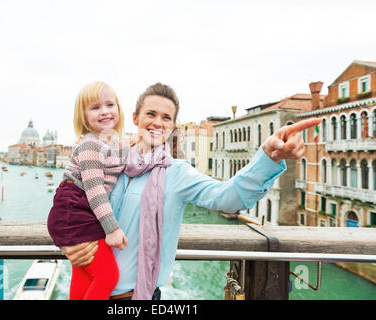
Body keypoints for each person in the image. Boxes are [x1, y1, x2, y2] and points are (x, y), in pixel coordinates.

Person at [60, 82, 322, 300]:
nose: (157, 123)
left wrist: (268, 158)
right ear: (136, 118)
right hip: (88, 285)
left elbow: (227, 198)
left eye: (166, 118)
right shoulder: (111, 160)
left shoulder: (177, 173)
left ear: (173, 127)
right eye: (151, 114)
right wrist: (68, 244)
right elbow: (71, 206)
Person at [47, 81, 129, 300]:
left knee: (85, 276)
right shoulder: (91, 144)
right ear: (84, 117)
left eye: (110, 105)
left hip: (77, 211)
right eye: (95, 108)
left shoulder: (113, 144)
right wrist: (112, 229)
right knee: (108, 276)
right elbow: (94, 190)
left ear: (119, 109)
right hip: (75, 210)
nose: (104, 111)